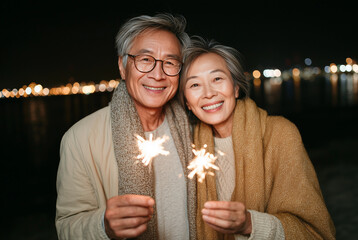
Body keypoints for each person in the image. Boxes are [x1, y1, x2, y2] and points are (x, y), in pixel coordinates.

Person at [55, 13, 197, 240]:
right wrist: (102, 226)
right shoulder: (80, 139)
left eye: (170, 63)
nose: (158, 74)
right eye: (145, 60)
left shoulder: (192, 130)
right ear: (122, 67)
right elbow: (67, 225)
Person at [178, 37, 336, 239]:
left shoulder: (280, 135)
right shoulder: (187, 149)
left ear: (235, 87)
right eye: (195, 85)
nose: (208, 93)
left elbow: (316, 233)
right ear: (187, 103)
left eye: (217, 79)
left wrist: (249, 224)